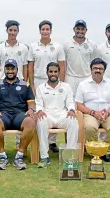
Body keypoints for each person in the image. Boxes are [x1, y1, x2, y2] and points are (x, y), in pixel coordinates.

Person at [0, 59, 36, 170]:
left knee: (30, 121)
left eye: (13, 69)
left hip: (20, 115)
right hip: (3, 114)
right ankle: (2, 156)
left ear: (17, 70)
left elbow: (31, 102)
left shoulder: (25, 85)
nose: (10, 71)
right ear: (4, 70)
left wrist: (31, 110)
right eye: (8, 68)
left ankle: (19, 156)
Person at [28, 20, 66, 152]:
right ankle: (39, 141)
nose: (45, 31)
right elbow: (30, 67)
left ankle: (52, 142)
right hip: (39, 81)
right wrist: (31, 84)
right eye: (43, 29)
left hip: (54, 81)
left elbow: (61, 66)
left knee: (54, 109)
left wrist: (60, 84)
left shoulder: (57, 46)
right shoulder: (33, 46)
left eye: (47, 29)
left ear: (50, 31)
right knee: (41, 111)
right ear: (40, 31)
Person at [76, 58, 110, 162]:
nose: (97, 70)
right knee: (90, 127)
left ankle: (106, 151)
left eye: (100, 68)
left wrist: (108, 112)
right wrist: (93, 112)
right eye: (95, 68)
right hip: (90, 113)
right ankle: (95, 151)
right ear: (91, 70)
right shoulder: (83, 84)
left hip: (107, 114)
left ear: (104, 70)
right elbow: (79, 104)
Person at [35, 62, 78, 168]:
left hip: (62, 115)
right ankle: (44, 156)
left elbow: (70, 102)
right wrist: (39, 110)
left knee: (73, 122)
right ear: (47, 73)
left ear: (59, 73)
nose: (53, 74)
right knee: (41, 121)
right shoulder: (41, 88)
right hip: (47, 115)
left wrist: (72, 109)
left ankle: (70, 157)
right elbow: (38, 104)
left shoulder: (66, 86)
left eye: (55, 71)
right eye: (51, 71)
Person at [63, 20, 97, 97]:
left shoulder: (92, 45)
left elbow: (94, 63)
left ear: (86, 30)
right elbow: (64, 63)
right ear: (74, 29)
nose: (80, 31)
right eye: (78, 29)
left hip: (86, 77)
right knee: (71, 101)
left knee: (86, 100)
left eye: (82, 29)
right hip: (70, 78)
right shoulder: (66, 44)